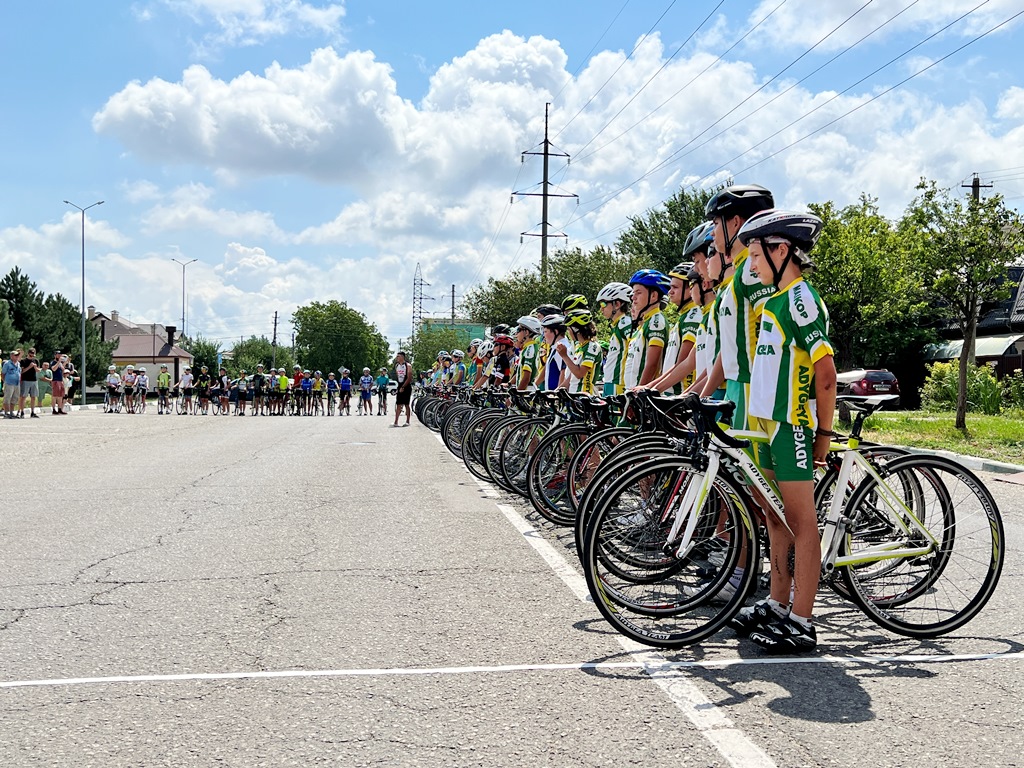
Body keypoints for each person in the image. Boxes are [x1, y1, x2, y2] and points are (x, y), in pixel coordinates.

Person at [728, 209, 835, 655]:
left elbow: (826, 372)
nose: (751, 265)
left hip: (791, 423)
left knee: (802, 521)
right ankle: (776, 602)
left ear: (781, 250)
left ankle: (803, 619)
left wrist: (824, 436)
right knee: (775, 516)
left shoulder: (801, 298)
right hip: (767, 424)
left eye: (756, 255)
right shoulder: (774, 300)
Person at [699, 184, 777, 431]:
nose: (712, 233)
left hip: (752, 385)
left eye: (715, 223)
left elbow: (774, 333)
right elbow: (731, 347)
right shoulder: (741, 274)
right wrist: (702, 393)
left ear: (735, 222)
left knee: (750, 469)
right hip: (737, 385)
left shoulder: (751, 274)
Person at [622, 270, 670, 390]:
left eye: (638, 293)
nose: (633, 297)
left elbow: (652, 364)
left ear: (653, 296)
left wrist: (638, 394)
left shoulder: (656, 321)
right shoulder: (645, 323)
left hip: (642, 395)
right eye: (633, 293)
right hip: (632, 390)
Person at [596, 282, 633, 396]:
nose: (601, 309)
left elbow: (635, 348)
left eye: (603, 304)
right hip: (610, 381)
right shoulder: (618, 324)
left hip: (618, 383)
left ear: (617, 304)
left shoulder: (625, 323)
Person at [559, 310, 602, 395]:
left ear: (576, 330)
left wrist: (564, 356)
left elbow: (580, 374)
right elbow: (571, 377)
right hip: (573, 394)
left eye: (569, 329)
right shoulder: (579, 346)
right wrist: (556, 392)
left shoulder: (592, 346)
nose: (568, 333)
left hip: (585, 395)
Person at [513, 316, 542, 391]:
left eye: (519, 330)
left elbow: (526, 378)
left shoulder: (530, 349)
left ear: (527, 332)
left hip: (527, 392)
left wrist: (518, 394)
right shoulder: (528, 347)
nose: (516, 334)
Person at [19, 347, 41, 418]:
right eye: (31, 353)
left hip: (34, 380)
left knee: (33, 397)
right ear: (28, 353)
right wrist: (29, 366)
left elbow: (38, 370)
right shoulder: (23, 361)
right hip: (25, 380)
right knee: (23, 396)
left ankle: (32, 412)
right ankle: (22, 412)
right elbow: (22, 371)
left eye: (33, 353)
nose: (32, 354)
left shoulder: (36, 361)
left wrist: (35, 367)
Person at [393, 351, 412, 426]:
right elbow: (398, 376)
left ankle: (407, 421)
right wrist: (399, 386)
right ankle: (396, 421)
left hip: (406, 386)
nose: (397, 358)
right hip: (400, 385)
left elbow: (409, 377)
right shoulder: (397, 365)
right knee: (398, 404)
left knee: (406, 404)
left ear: (402, 357)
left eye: (398, 356)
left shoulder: (408, 365)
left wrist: (403, 387)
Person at [3, 349, 21, 419]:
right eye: (15, 355)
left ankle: (11, 412)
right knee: (7, 398)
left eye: (17, 355)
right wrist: (5, 381)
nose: (17, 357)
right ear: (11, 356)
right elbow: (3, 373)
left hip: (17, 383)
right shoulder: (7, 364)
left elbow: (19, 372)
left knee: (15, 398)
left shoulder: (18, 364)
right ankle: (6, 412)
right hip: (9, 383)